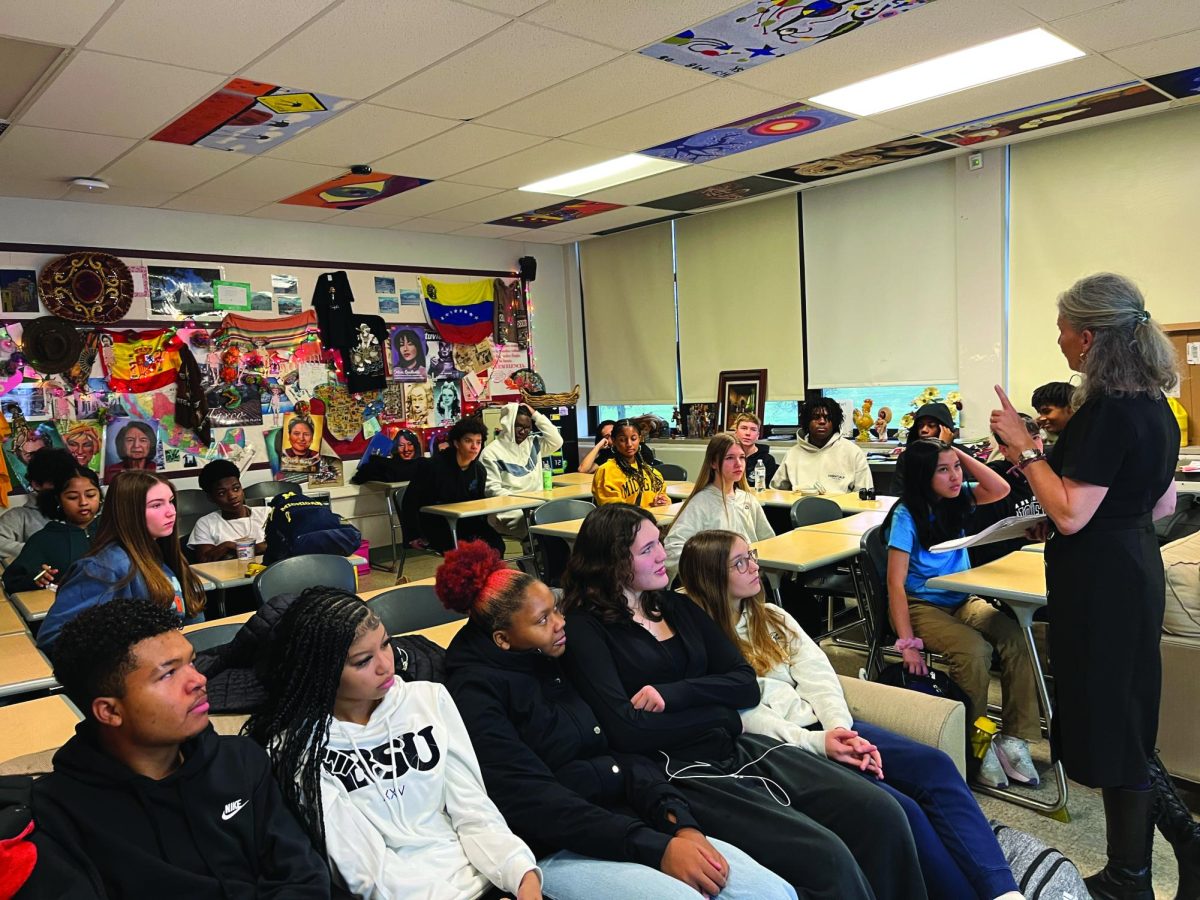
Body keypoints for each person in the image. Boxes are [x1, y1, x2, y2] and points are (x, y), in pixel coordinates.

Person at [560, 503, 927, 900]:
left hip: (739, 746)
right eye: (647, 549)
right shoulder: (586, 629)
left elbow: (744, 685)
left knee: (881, 812)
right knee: (827, 857)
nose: (663, 554)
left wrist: (674, 695)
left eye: (659, 543)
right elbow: (627, 729)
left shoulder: (674, 606)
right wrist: (721, 715)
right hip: (678, 769)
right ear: (613, 562)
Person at [440, 540, 796, 900]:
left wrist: (677, 820)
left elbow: (617, 748)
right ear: (502, 639)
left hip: (625, 818)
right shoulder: (474, 693)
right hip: (556, 845)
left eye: (556, 609)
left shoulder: (549, 654)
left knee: (772, 892)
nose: (562, 624)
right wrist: (654, 848)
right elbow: (534, 801)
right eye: (543, 620)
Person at [680, 529, 1022, 900]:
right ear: (712, 577)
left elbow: (818, 675)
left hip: (830, 727)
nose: (754, 566)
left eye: (752, 555)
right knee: (900, 809)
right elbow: (746, 717)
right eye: (740, 562)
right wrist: (819, 742)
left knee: (934, 765)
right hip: (791, 748)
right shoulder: (700, 643)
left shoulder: (772, 616)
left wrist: (840, 729)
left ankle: (1003, 892)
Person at [990, 272, 1189, 898]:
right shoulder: (1158, 405)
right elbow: (1160, 507)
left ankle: (1134, 874)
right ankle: (1155, 858)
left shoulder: (1106, 411)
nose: (1060, 345)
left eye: (1062, 334)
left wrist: (1025, 449)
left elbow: (1073, 511)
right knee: (1127, 719)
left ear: (1089, 337)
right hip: (1134, 566)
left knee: (1112, 723)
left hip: (1100, 582)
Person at [244, 586, 543, 900]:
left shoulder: (428, 699)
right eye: (362, 661)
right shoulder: (300, 750)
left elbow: (473, 809)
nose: (386, 665)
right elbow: (366, 870)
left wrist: (522, 874)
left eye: (386, 644)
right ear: (322, 671)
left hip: (490, 880)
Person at [32, 598, 330, 897]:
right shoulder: (58, 814)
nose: (199, 680)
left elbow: (303, 877)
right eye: (168, 674)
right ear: (110, 712)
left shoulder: (241, 761)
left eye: (191, 661)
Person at [883, 439, 1040, 790]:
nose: (955, 476)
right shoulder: (906, 515)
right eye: (943, 470)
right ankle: (974, 742)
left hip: (962, 598)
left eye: (957, 468)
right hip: (921, 604)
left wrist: (955, 452)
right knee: (974, 651)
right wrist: (907, 643)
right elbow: (895, 584)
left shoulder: (958, 499)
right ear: (923, 476)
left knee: (1018, 638)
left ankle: (1014, 738)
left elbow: (999, 488)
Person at [39, 470, 206, 649]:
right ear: (129, 512)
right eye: (156, 505)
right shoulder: (106, 567)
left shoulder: (161, 555)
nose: (171, 512)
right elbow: (54, 637)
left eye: (171, 501)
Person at [663, 433, 774, 576]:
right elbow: (673, 548)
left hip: (749, 575)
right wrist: (710, 567)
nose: (738, 464)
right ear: (713, 463)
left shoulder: (747, 499)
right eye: (729, 458)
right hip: (717, 580)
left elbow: (768, 542)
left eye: (741, 457)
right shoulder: (701, 502)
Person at [405, 417, 505, 554]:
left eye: (479, 442)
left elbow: (479, 505)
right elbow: (410, 501)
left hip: (467, 524)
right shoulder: (432, 467)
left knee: (497, 546)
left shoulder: (479, 470)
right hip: (437, 525)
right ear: (457, 443)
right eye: (468, 441)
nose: (474, 447)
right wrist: (413, 535)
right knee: (467, 552)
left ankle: (488, 575)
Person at [3, 464, 100, 594]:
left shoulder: (114, 529)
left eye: (90, 495)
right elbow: (12, 581)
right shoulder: (44, 539)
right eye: (72, 497)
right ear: (58, 499)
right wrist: (36, 578)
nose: (83, 502)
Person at [967, 414, 1046, 566]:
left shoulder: (1049, 473)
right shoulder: (994, 483)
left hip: (1039, 558)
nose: (1033, 447)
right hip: (1002, 566)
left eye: (1035, 438)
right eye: (1020, 442)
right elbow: (987, 547)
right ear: (1004, 450)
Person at [481, 402, 563, 537]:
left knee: (560, 516)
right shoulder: (491, 452)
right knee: (536, 522)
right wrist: (523, 502)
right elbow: (492, 490)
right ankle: (536, 553)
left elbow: (557, 441)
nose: (523, 432)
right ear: (508, 424)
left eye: (527, 428)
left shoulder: (533, 443)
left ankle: (545, 555)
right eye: (519, 426)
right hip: (508, 509)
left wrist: (535, 414)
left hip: (537, 504)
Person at [770, 396, 872, 494]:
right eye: (816, 417)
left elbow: (865, 495)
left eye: (827, 417)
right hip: (799, 509)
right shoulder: (793, 454)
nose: (822, 422)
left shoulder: (853, 452)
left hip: (842, 510)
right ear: (807, 422)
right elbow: (775, 492)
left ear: (835, 422)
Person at [188, 459, 269, 562]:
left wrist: (238, 548)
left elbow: (283, 545)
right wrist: (226, 546)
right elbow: (203, 560)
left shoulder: (266, 513)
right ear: (211, 498)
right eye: (222, 493)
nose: (232, 496)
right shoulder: (205, 523)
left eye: (236, 489)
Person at [0, 447, 74, 558]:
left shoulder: (78, 511)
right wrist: (39, 552)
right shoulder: (19, 516)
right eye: (55, 483)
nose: (63, 489)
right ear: (36, 485)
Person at [591, 420, 670, 509]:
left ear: (640, 439)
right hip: (625, 522)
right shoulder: (606, 471)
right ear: (614, 441)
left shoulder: (651, 472)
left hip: (653, 520)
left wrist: (662, 501)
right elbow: (613, 510)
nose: (629, 444)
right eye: (622, 440)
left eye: (633, 439)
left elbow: (663, 495)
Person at [578, 419, 654, 475]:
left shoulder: (641, 450)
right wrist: (598, 446)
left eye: (613, 433)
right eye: (607, 436)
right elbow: (583, 469)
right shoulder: (608, 454)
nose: (629, 444)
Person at [731, 412, 777, 487]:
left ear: (758, 435)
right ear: (736, 432)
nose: (748, 433)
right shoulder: (727, 456)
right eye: (744, 428)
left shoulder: (767, 460)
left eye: (753, 429)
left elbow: (768, 490)